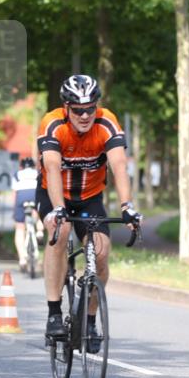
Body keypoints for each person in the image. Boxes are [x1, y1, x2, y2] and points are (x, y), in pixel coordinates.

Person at [38, 74, 142, 343]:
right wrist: (59, 209)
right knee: (60, 232)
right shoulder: (52, 123)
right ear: (66, 108)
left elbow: (119, 165)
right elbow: (51, 166)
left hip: (89, 197)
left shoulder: (106, 122)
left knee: (101, 251)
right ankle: (53, 314)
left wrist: (127, 206)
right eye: (78, 110)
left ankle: (90, 321)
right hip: (54, 193)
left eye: (90, 109)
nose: (85, 115)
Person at [12, 157, 39, 271]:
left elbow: (14, 192)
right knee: (39, 212)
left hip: (21, 196)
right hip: (35, 194)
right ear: (33, 166)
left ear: (21, 167)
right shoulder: (37, 173)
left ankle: (22, 258)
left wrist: (16, 208)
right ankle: (40, 232)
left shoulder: (17, 174)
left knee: (19, 228)